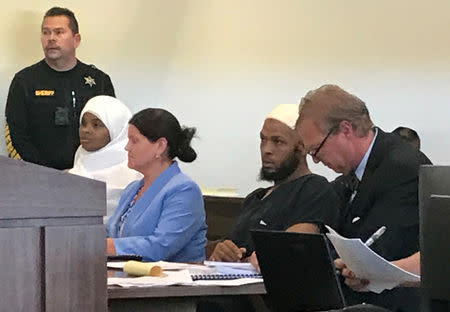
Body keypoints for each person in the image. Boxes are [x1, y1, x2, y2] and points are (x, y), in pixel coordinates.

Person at [296, 84, 431, 312]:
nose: (316, 161)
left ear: (346, 129)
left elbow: (379, 249)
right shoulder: (348, 178)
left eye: (316, 149)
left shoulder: (403, 168)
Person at [209, 104, 341, 262]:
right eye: (263, 139)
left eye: (278, 141)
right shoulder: (255, 198)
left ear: (302, 148)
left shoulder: (314, 188)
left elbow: (289, 249)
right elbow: (231, 250)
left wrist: (252, 260)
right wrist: (223, 251)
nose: (266, 150)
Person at [5, 7, 115, 170]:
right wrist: (45, 173)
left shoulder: (98, 81)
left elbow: (112, 131)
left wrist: (84, 170)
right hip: (37, 175)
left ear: (76, 39)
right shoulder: (24, 81)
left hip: (89, 175)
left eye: (58, 32)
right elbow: (16, 134)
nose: (51, 38)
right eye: (46, 32)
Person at [106, 108, 206, 262]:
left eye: (134, 140)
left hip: (173, 283)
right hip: (127, 278)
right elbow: (110, 232)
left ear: (160, 146)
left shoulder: (184, 190)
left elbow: (160, 247)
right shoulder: (132, 189)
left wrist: (106, 246)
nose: (127, 147)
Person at [68, 95, 141, 221]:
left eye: (96, 125)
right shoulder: (80, 156)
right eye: (83, 124)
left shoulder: (135, 170)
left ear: (117, 129)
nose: (86, 130)